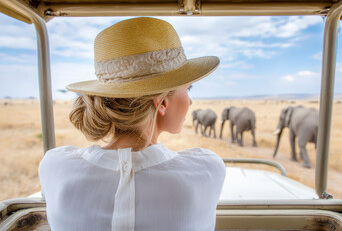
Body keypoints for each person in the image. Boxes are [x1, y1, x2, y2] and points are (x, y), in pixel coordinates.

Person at [39, 17, 226, 231]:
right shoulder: (206, 171)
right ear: (163, 103)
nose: (190, 101)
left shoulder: (55, 167)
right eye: (188, 89)